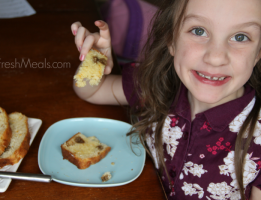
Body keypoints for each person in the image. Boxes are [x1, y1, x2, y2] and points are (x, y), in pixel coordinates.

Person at [71, 0, 261, 199]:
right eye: (198, 31)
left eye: (241, 37)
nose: (215, 57)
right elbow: (92, 91)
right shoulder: (158, 85)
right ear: (171, 40)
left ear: (258, 53)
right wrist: (95, 61)